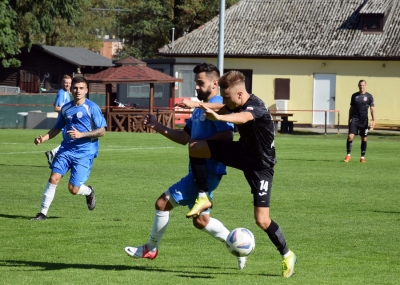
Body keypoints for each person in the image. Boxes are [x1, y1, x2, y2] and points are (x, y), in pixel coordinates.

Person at [124, 63, 247, 269]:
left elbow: (226, 135)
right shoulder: (199, 109)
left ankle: (150, 248)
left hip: (208, 171)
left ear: (215, 83)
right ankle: (238, 245)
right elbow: (184, 138)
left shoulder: (217, 104)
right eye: (196, 84)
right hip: (200, 172)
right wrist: (157, 125)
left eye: (201, 83)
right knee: (201, 222)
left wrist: (201, 146)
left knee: (162, 203)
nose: (197, 88)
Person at [177, 70, 296, 278]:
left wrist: (220, 116)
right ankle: (203, 197)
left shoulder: (255, 107)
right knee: (196, 147)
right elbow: (222, 106)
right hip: (241, 153)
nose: (223, 100)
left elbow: (242, 117)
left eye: (227, 97)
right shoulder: (237, 102)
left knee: (262, 220)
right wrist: (196, 104)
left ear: (240, 95)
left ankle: (287, 255)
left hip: (261, 167)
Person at [31, 76, 107, 220]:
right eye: (75, 88)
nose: (78, 91)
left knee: (73, 189)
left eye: (81, 88)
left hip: (84, 153)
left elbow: (102, 131)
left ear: (86, 90)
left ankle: (89, 191)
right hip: (66, 150)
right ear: (71, 89)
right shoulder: (66, 108)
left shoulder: (92, 108)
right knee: (54, 178)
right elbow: (57, 127)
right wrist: (44, 138)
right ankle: (42, 213)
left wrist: (81, 134)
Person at [344, 80, 375, 163]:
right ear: (358, 86)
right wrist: (349, 118)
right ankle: (348, 155)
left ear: (366, 86)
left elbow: (372, 109)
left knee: (364, 138)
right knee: (350, 136)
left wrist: (373, 120)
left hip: (364, 121)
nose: (362, 87)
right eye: (360, 85)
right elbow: (351, 108)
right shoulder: (354, 96)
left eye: (363, 85)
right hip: (354, 119)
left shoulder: (369, 96)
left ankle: (362, 157)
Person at [45, 75, 72, 165]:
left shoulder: (66, 93)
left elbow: (54, 104)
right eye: (66, 83)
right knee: (71, 141)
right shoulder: (62, 93)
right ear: (62, 83)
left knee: (70, 141)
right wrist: (70, 111)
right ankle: (53, 154)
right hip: (64, 120)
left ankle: (52, 153)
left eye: (69, 83)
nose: (67, 85)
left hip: (65, 119)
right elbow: (56, 108)